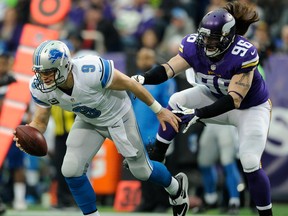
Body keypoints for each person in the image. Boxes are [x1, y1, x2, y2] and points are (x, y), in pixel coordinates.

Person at [13, 40, 189, 216]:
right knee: (71, 169)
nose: (44, 77)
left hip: (118, 116)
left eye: (49, 72)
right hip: (88, 120)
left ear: (65, 66)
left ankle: (175, 187)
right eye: (40, 72)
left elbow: (130, 83)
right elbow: (40, 121)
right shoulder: (40, 87)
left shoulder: (90, 70)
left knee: (142, 171)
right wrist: (30, 133)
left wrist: (159, 110)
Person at [131, 2, 273, 216]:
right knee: (177, 99)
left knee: (250, 161)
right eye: (204, 37)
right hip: (213, 96)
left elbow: (234, 99)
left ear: (227, 37)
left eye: (213, 39)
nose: (207, 42)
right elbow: (168, 69)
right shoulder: (193, 45)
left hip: (249, 108)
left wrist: (198, 114)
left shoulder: (243, 52)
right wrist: (143, 78)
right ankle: (158, 157)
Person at [132, 47, 177, 212]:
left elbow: (171, 104)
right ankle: (147, 202)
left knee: (160, 166)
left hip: (158, 131)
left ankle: (163, 202)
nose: (144, 61)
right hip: (139, 133)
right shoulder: (134, 81)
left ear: (154, 59)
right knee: (141, 168)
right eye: (141, 57)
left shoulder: (164, 81)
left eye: (148, 57)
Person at [196, 124, 241, 215]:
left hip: (226, 123)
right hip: (209, 123)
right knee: (204, 163)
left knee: (229, 163)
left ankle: (234, 202)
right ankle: (211, 200)